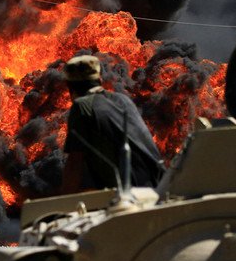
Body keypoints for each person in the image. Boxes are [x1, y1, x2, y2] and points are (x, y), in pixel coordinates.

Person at [61, 55, 164, 193]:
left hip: (130, 194)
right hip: (161, 185)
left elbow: (74, 164)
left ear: (70, 89)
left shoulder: (82, 106)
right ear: (100, 80)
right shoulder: (123, 100)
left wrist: (63, 206)